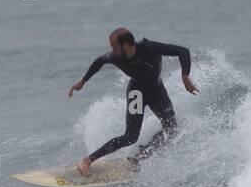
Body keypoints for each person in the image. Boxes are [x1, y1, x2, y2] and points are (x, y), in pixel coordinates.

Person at [68, 27, 197, 176]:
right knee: (130, 137)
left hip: (156, 91)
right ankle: (88, 160)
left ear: (126, 45)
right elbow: (100, 60)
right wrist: (82, 82)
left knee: (171, 128)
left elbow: (183, 51)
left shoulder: (149, 48)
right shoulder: (116, 57)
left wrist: (185, 77)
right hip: (137, 92)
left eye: (114, 46)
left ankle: (140, 156)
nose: (112, 50)